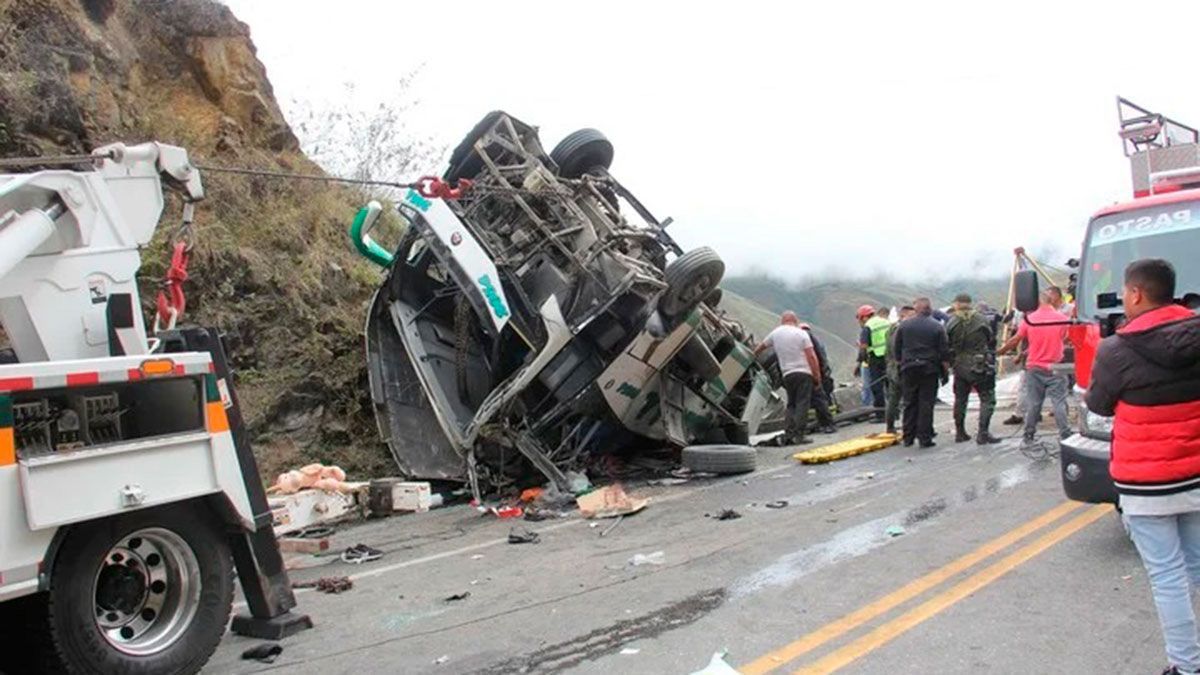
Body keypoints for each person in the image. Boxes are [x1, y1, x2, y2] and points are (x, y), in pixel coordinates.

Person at [1084, 259, 1200, 675]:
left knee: (1168, 576)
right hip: (1195, 473)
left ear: (1135, 294)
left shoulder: (1116, 349)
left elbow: (1098, 404)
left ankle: (1187, 667)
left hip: (1146, 481)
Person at [997, 290, 1071, 447]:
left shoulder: (1030, 320)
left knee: (1034, 403)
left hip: (1034, 367)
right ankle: (1065, 434)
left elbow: (1015, 340)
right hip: (1056, 366)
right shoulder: (1063, 319)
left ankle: (1029, 434)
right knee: (1059, 402)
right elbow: (1066, 338)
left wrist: (999, 352)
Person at [755, 311, 823, 445]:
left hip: (787, 374)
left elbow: (761, 347)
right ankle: (799, 435)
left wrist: (752, 356)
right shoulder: (801, 333)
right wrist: (817, 376)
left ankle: (789, 433)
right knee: (802, 403)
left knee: (791, 404)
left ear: (783, 321)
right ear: (795, 320)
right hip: (803, 373)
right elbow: (811, 357)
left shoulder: (776, 333)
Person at [893, 297, 949, 448]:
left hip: (909, 368)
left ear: (916, 309)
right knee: (926, 403)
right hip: (929, 369)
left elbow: (896, 348)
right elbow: (944, 352)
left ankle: (908, 437)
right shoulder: (937, 326)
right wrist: (945, 371)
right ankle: (924, 438)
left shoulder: (904, 326)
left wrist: (900, 364)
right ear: (929, 309)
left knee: (909, 402)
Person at [946, 293, 1001, 445]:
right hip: (980, 363)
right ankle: (983, 433)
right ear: (970, 303)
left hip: (959, 365)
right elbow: (990, 338)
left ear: (956, 304)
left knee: (960, 399)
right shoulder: (982, 319)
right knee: (987, 398)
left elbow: (946, 342)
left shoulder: (951, 322)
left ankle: (960, 432)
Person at [800, 322, 837, 434]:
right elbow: (823, 359)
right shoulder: (817, 341)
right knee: (824, 400)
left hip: (815, 375)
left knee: (817, 400)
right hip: (820, 375)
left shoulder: (807, 342)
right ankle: (827, 422)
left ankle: (820, 423)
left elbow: (817, 359)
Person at [884, 305, 916, 434]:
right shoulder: (904, 330)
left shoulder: (890, 329)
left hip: (891, 367)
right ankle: (909, 428)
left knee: (893, 399)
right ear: (904, 315)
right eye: (912, 316)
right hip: (901, 367)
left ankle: (890, 426)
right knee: (909, 400)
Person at [856, 305, 890, 423]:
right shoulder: (886, 322)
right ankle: (893, 413)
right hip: (889, 357)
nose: (860, 322)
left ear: (865, 317)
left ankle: (881, 415)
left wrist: (860, 362)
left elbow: (863, 347)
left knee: (877, 387)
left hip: (875, 358)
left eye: (860, 319)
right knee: (890, 385)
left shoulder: (868, 327)